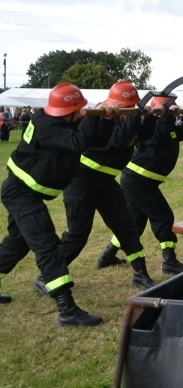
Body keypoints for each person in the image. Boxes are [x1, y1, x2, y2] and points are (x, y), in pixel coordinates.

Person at [36, 81, 157, 293]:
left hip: (105, 182)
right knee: (78, 235)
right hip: (82, 180)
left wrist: (154, 117)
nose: (133, 108)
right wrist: (134, 116)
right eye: (130, 105)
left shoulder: (129, 117)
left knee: (126, 227)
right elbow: (118, 142)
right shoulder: (99, 116)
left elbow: (144, 136)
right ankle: (46, 275)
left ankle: (140, 275)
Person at [0, 83, 103, 326]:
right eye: (78, 110)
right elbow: (79, 142)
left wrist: (105, 117)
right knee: (48, 246)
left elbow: (89, 138)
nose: (80, 114)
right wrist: (93, 116)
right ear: (68, 111)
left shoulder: (56, 120)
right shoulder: (47, 126)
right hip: (20, 193)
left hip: (26, 192)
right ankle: (67, 310)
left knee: (16, 245)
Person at [99, 96, 183, 275]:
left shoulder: (168, 127)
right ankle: (170, 261)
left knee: (135, 223)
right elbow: (160, 134)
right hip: (139, 180)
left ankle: (107, 256)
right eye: (170, 109)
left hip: (139, 181)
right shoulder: (152, 127)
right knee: (163, 216)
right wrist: (167, 116)